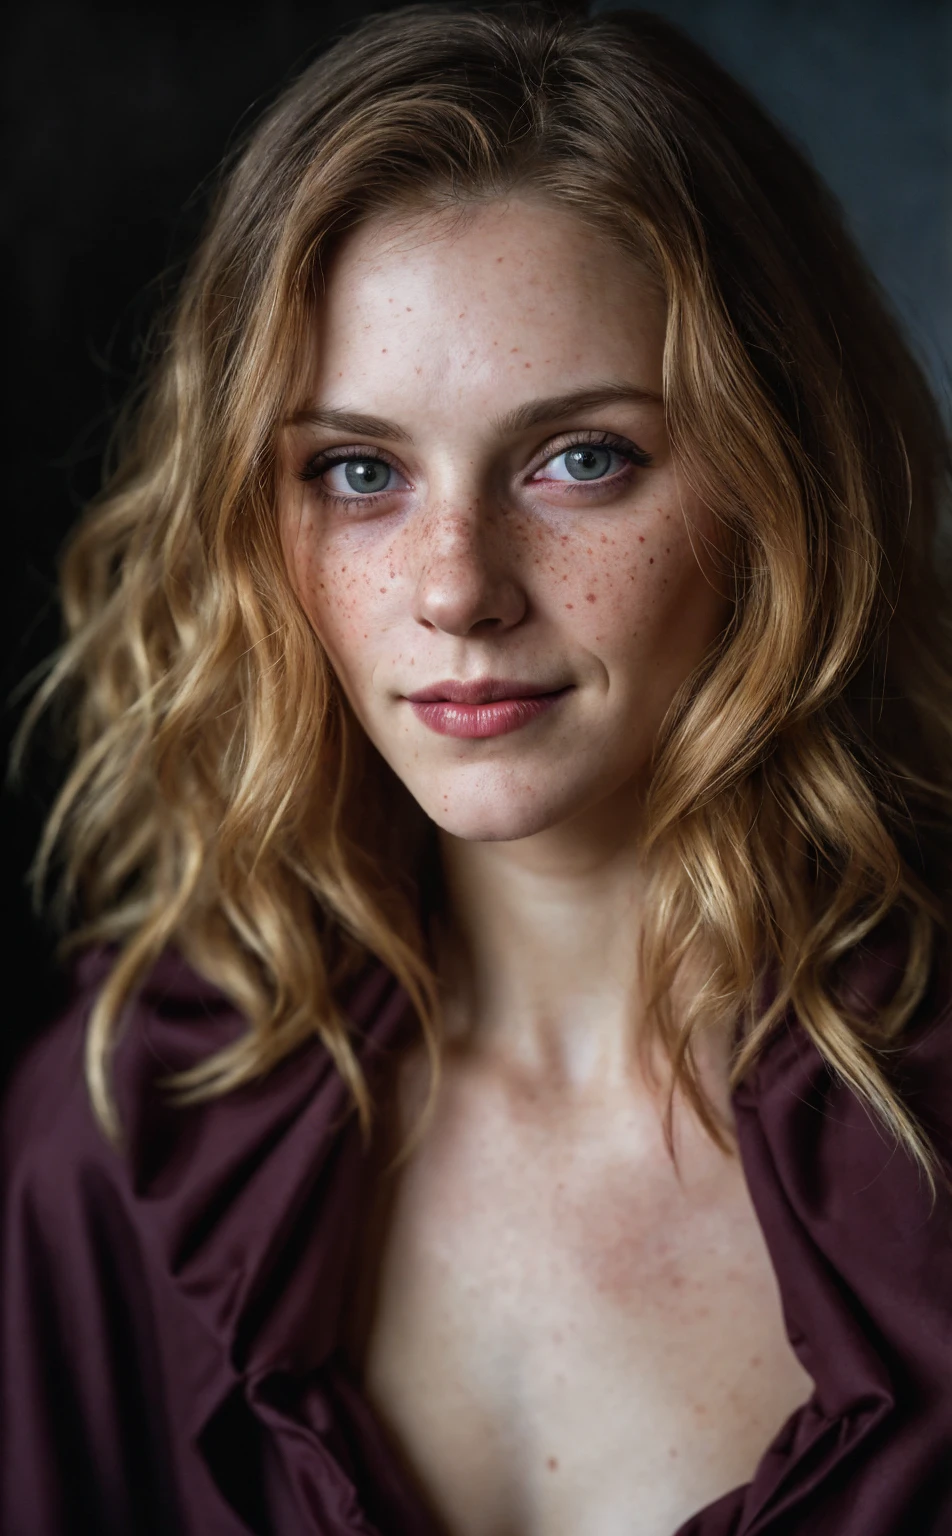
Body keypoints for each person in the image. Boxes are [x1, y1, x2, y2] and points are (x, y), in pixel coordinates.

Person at [3, 2, 952, 1532]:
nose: (457, 586)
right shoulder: (129, 1141)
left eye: (580, 457)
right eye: (358, 472)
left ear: (780, 484)